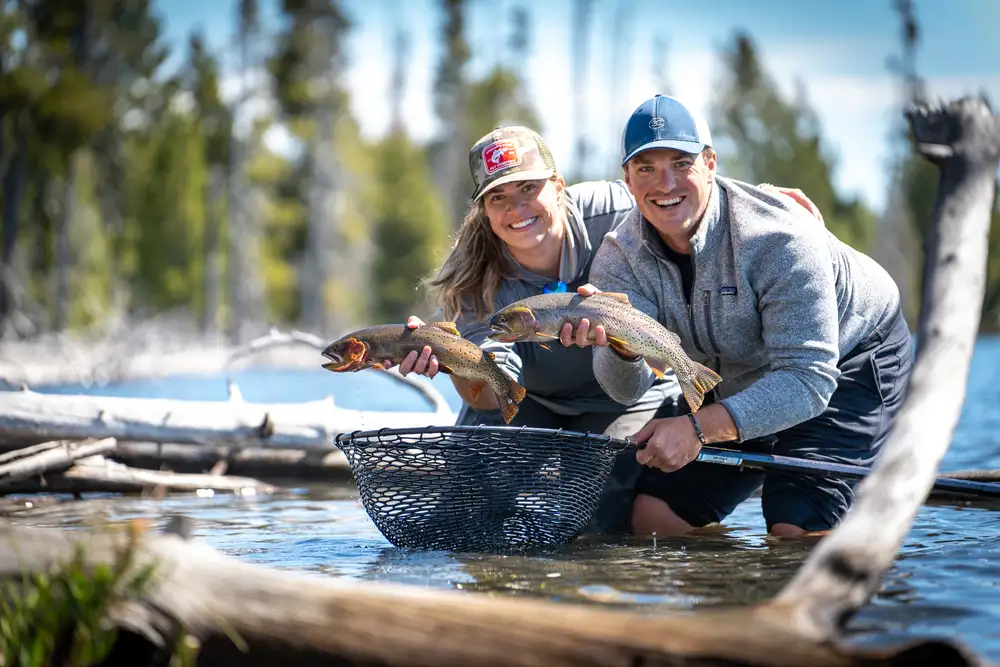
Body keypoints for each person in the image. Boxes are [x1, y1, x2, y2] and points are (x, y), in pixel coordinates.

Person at [562, 94, 913, 539]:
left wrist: (698, 428)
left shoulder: (778, 238)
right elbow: (625, 390)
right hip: (734, 371)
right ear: (627, 180)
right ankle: (717, 597)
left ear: (710, 163)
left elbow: (808, 381)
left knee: (794, 528)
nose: (665, 184)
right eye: (646, 168)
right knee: (653, 518)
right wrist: (618, 346)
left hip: (848, 357)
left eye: (681, 162)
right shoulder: (619, 258)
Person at [392, 125, 683, 535]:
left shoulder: (616, 210)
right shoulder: (473, 278)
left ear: (559, 187)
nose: (516, 208)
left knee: (591, 522)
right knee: (463, 517)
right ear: (484, 211)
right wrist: (452, 363)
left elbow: (691, 192)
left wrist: (772, 200)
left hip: (628, 397)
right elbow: (494, 397)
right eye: (498, 197)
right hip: (530, 399)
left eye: (528, 188)